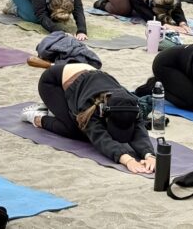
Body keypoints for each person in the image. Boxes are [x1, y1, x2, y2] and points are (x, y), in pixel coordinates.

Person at [22, 63, 154, 174]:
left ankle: (58, 108)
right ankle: (37, 117)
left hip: (86, 79)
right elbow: (100, 137)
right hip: (53, 82)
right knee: (75, 130)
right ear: (104, 113)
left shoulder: (131, 104)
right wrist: (127, 160)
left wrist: (149, 155)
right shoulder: (91, 106)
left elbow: (139, 129)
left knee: (86, 126)